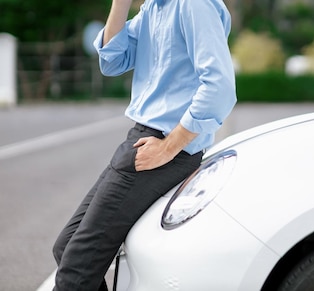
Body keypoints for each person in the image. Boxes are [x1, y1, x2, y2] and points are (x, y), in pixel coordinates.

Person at [51, 0, 236, 289]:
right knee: (66, 249)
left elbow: (220, 87)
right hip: (140, 140)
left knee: (76, 266)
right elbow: (112, 60)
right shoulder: (154, 7)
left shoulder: (192, 4)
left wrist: (168, 147)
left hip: (165, 146)